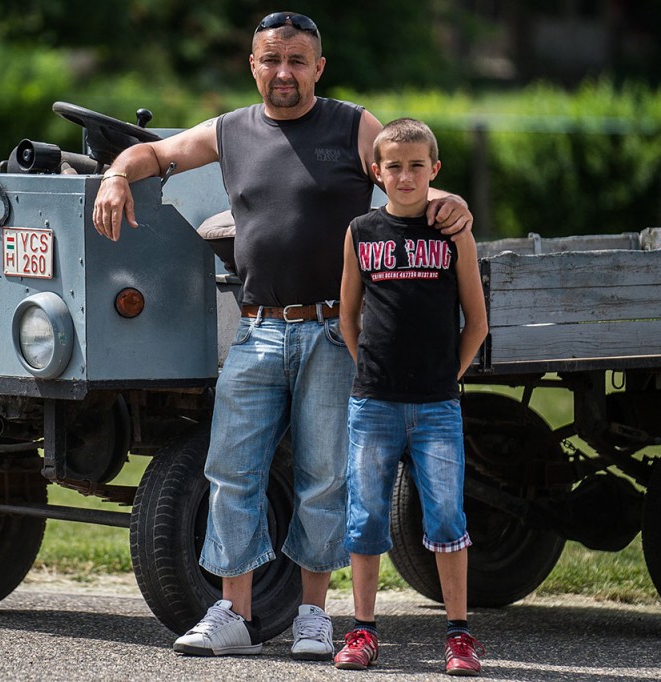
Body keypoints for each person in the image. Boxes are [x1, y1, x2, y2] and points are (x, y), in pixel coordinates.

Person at [92, 12, 473, 660]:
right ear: (253, 65)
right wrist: (116, 175)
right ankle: (233, 614)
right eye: (272, 60)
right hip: (257, 330)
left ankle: (313, 619)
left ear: (318, 68)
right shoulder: (232, 130)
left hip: (330, 329)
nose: (284, 73)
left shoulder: (354, 125)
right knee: (231, 471)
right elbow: (155, 154)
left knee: (323, 477)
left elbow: (407, 180)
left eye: (298, 61)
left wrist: (450, 202)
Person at [335, 118, 488, 675]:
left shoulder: (453, 234)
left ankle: (458, 636)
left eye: (416, 166)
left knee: (447, 518)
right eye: (393, 166)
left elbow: (476, 321)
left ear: (434, 171)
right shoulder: (360, 232)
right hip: (372, 401)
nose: (405, 175)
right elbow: (349, 317)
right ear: (377, 173)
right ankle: (362, 631)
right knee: (365, 517)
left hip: (437, 404)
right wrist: (371, 370)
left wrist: (448, 376)